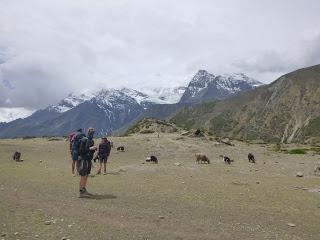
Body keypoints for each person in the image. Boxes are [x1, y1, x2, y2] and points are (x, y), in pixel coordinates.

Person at [78, 127, 97, 198]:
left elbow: (90, 151)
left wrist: (94, 149)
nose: (92, 134)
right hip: (83, 159)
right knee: (83, 175)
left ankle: (83, 188)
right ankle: (80, 191)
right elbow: (81, 151)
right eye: (91, 133)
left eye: (93, 133)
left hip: (88, 159)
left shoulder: (91, 141)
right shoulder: (84, 140)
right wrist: (90, 148)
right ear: (88, 132)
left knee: (86, 175)